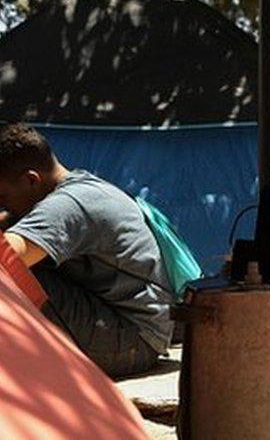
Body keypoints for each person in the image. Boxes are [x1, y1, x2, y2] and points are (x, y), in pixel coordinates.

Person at [0, 124, 175, 377]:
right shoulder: (74, 188)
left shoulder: (69, 206)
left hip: (132, 342)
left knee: (13, 277)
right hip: (130, 330)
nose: (3, 207)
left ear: (31, 180)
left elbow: (6, 259)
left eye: (3, 197)